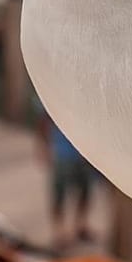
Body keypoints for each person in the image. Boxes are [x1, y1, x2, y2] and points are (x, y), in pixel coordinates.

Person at [38, 107, 100, 250]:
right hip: (62, 154)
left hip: (83, 154)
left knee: (85, 192)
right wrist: (44, 147)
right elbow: (43, 120)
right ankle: (59, 232)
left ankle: (80, 226)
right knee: (59, 194)